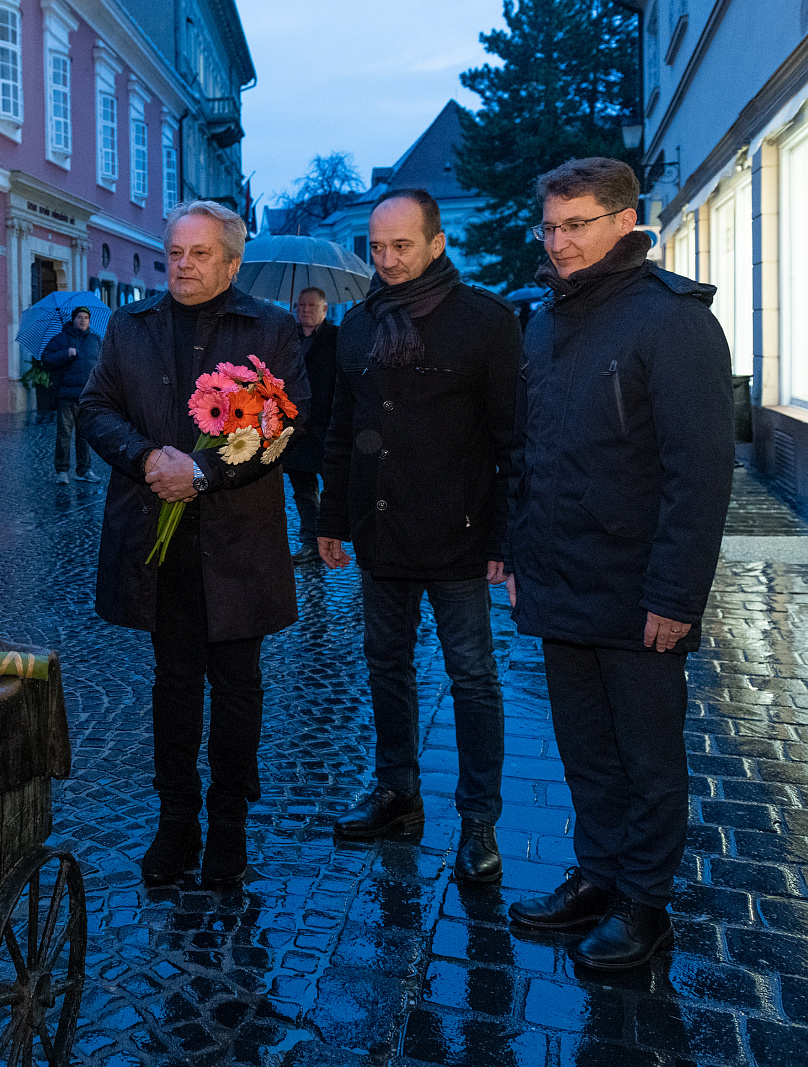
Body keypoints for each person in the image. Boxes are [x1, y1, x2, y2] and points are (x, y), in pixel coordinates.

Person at [505, 158, 732, 969]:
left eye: (578, 225)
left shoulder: (672, 321)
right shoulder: (545, 319)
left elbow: (699, 473)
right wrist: (517, 551)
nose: (560, 242)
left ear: (626, 221)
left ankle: (646, 902)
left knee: (648, 756)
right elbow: (532, 452)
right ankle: (599, 875)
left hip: (641, 591)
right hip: (561, 579)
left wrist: (677, 594)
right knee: (585, 749)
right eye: (551, 226)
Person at [80, 200, 306, 888]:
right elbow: (95, 409)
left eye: (200, 254)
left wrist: (204, 472)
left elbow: (284, 428)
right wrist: (149, 459)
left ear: (233, 262)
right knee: (173, 685)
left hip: (238, 543)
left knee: (237, 687)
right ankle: (176, 820)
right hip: (160, 542)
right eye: (176, 252)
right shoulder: (130, 325)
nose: (183, 264)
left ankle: (229, 826)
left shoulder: (270, 329)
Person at [318, 188, 520, 885]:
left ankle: (479, 819)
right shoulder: (357, 325)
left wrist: (504, 535)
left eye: (401, 245)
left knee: (472, 676)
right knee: (386, 666)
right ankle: (397, 793)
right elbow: (342, 429)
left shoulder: (486, 322)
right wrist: (331, 519)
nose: (388, 259)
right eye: (377, 248)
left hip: (459, 535)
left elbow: (509, 440)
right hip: (380, 531)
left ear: (436, 244)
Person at [284, 286, 338, 564]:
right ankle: (310, 542)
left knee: (337, 487)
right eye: (300, 305)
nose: (305, 310)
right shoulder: (287, 337)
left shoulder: (336, 338)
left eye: (311, 306)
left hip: (327, 425)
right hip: (297, 426)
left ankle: (339, 538)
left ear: (324, 309)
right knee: (303, 491)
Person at [42, 306, 102, 483]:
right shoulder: (61, 339)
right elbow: (46, 359)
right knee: (64, 435)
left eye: (86, 318)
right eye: (79, 317)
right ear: (73, 319)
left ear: (89, 322)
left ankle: (84, 471)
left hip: (87, 396)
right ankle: (62, 471)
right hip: (66, 395)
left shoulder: (95, 340)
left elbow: (104, 364)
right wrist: (65, 353)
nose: (82, 320)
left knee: (84, 436)